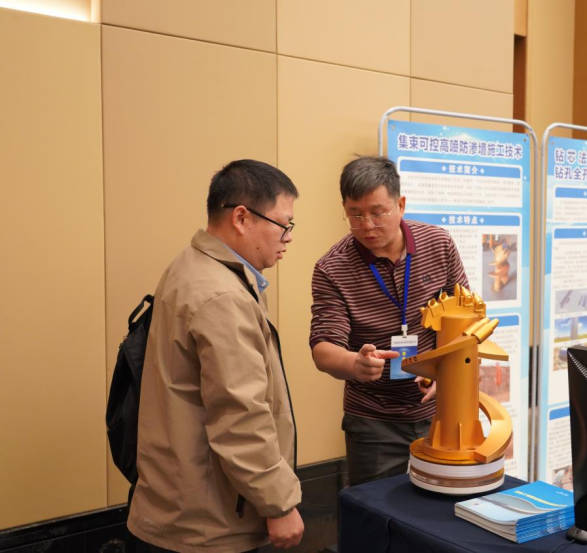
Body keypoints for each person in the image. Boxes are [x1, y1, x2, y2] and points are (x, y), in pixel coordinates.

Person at [127, 160, 304, 552]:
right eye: (283, 224)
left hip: (177, 501)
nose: (288, 237)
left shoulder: (192, 265)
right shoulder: (222, 295)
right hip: (208, 522)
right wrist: (279, 503)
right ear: (241, 217)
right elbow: (240, 415)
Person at [310, 156, 468, 486]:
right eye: (355, 214)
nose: (366, 225)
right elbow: (323, 348)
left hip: (441, 408)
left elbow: (464, 316)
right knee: (375, 509)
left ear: (401, 205)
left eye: (377, 212)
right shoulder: (332, 268)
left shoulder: (438, 244)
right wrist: (355, 364)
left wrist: (449, 372)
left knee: (442, 504)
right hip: (373, 420)